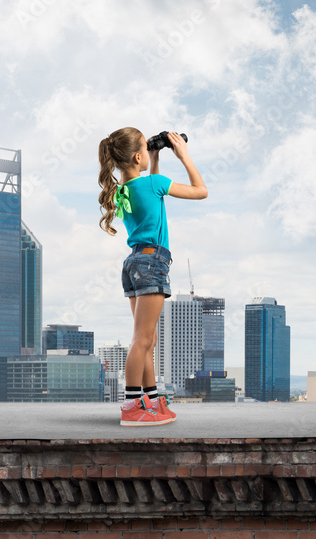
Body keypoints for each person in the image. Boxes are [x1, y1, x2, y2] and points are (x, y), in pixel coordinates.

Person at [97, 127, 207, 426]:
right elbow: (201, 191)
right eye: (145, 148)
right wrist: (184, 155)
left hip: (134, 263)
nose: (148, 151)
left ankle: (151, 400)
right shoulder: (154, 183)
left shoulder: (120, 192)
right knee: (142, 339)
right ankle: (133, 407)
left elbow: (150, 195)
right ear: (136, 156)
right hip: (152, 262)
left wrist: (154, 156)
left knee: (147, 339)